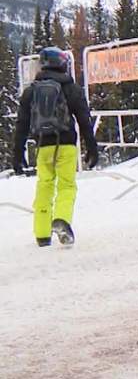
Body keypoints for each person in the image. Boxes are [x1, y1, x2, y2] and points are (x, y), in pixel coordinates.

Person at [11, 47, 99, 247]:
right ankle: (61, 220)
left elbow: (22, 125)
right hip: (66, 144)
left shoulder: (31, 91)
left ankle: (42, 234)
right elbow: (84, 119)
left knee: (45, 185)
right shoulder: (71, 88)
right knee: (67, 185)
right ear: (62, 64)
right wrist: (91, 147)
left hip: (42, 146)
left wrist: (17, 154)